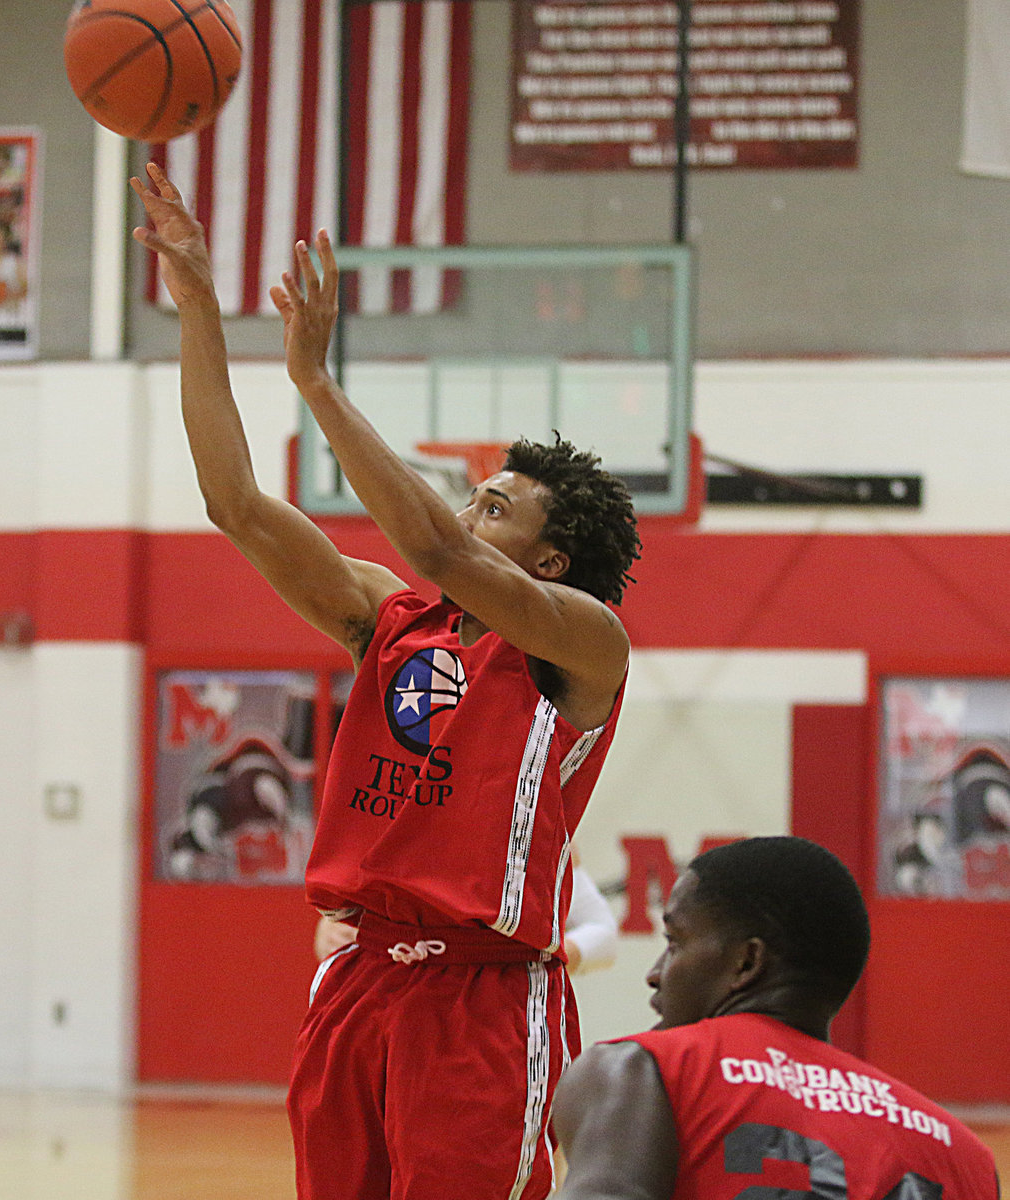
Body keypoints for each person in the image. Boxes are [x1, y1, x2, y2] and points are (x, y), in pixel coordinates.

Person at [131, 160, 642, 1200]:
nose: (466, 511)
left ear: (549, 562)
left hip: (482, 997)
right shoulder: (394, 622)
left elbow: (444, 555)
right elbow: (236, 504)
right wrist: (198, 313)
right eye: (474, 494)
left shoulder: (581, 644)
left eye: (495, 506)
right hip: (359, 980)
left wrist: (317, 383)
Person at [552, 836, 1001, 1199]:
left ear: (747, 964)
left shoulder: (639, 1073)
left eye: (674, 942)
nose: (655, 975)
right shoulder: (965, 1157)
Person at [313, 858, 619, 975]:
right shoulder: (392, 802)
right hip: (390, 1013)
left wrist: (530, 960)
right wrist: (332, 930)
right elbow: (335, 925)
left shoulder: (527, 819)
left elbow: (603, 934)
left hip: (495, 1023)